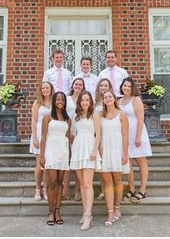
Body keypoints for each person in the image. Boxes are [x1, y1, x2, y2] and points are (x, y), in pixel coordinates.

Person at [70, 91, 102, 230]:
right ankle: (84, 212)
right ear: (79, 102)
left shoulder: (94, 115)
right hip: (78, 148)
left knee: (88, 184)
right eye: (82, 100)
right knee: (82, 183)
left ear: (90, 102)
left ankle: (89, 216)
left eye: (87, 100)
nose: (84, 102)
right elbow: (74, 134)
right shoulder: (76, 116)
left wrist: (95, 150)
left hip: (89, 147)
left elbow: (98, 134)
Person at [118, 77, 153, 203]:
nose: (126, 87)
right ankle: (132, 189)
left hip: (137, 133)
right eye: (124, 85)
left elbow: (140, 118)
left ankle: (143, 190)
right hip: (125, 135)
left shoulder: (136, 99)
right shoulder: (119, 101)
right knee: (128, 162)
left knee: (141, 161)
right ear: (121, 87)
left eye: (128, 86)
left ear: (132, 87)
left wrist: (138, 136)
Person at [40, 91, 71, 226]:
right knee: (52, 182)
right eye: (58, 99)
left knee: (60, 182)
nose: (60, 101)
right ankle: (51, 212)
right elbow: (44, 137)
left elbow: (68, 138)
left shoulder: (67, 119)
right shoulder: (48, 117)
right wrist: (42, 155)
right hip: (51, 150)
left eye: (62, 100)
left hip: (63, 151)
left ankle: (58, 211)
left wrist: (69, 154)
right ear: (54, 101)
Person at [99, 91, 130, 226]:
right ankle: (110, 212)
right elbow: (97, 134)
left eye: (110, 97)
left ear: (114, 98)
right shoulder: (100, 116)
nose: (108, 99)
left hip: (118, 150)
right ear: (103, 100)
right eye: (105, 97)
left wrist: (125, 154)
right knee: (107, 182)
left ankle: (117, 207)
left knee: (117, 180)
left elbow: (125, 136)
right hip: (104, 150)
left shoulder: (122, 114)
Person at [30, 81, 54, 201]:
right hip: (39, 134)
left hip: (51, 134)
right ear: (41, 90)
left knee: (48, 164)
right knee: (40, 164)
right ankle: (37, 190)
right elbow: (33, 121)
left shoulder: (54, 103)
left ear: (51, 89)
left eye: (47, 88)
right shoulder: (37, 103)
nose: (45, 90)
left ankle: (45, 189)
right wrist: (34, 137)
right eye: (43, 88)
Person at [64, 77, 86, 201]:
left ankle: (78, 191)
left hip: (81, 134)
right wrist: (68, 133)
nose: (78, 86)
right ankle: (65, 191)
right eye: (76, 84)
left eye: (80, 85)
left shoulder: (84, 100)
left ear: (83, 87)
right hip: (67, 133)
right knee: (67, 163)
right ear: (72, 86)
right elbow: (65, 116)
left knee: (78, 163)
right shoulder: (66, 100)